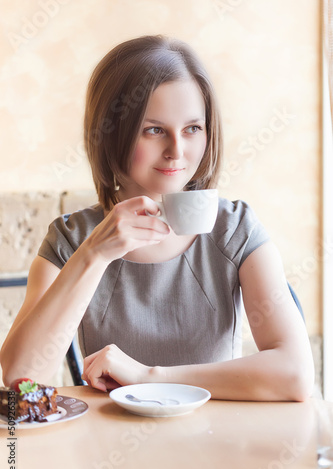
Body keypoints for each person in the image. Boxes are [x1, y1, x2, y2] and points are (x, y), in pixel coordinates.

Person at [0, 35, 314, 401]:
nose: (177, 151)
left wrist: (150, 376)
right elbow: (22, 377)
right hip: (106, 448)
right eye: (154, 130)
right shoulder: (74, 238)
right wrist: (95, 254)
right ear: (110, 133)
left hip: (215, 446)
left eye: (192, 129)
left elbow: (296, 376)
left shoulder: (234, 230)